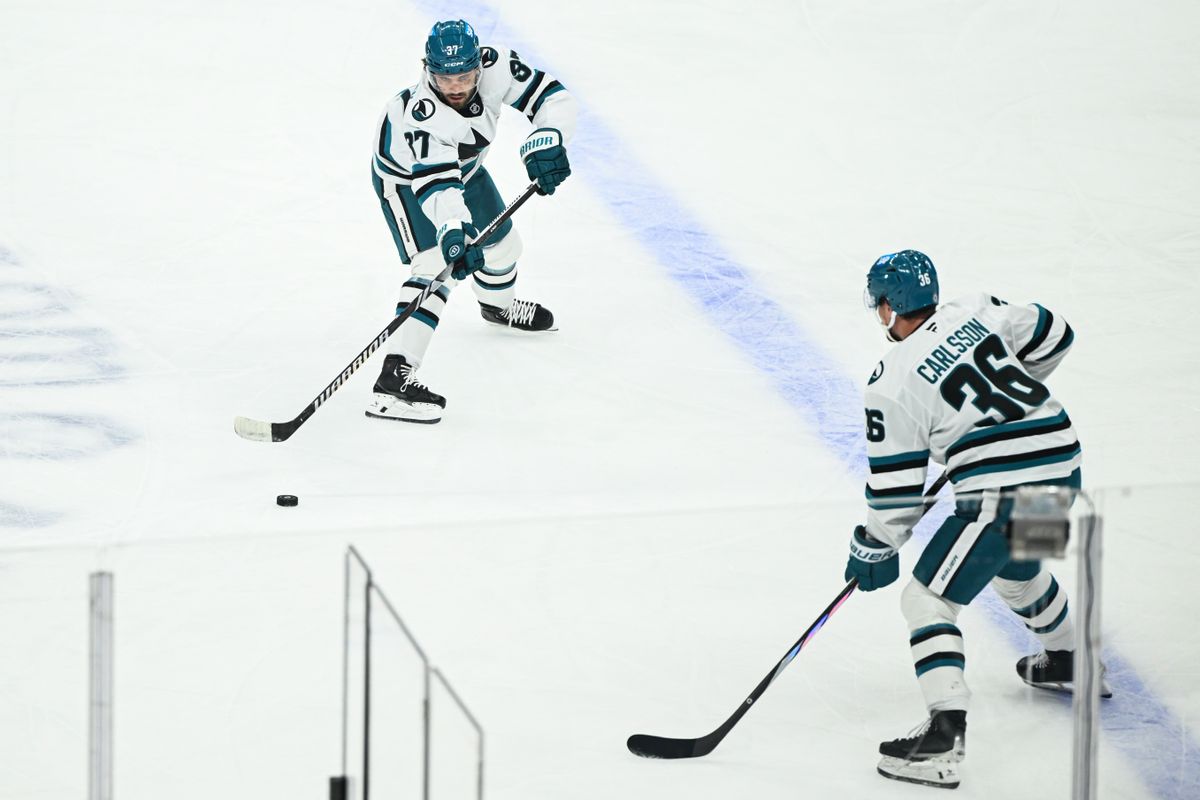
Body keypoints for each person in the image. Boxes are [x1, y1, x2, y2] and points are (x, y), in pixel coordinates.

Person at [844, 250, 1109, 789]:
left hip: (1003, 490)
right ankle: (1070, 659)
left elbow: (895, 495)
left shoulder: (890, 380)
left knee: (927, 599)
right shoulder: (977, 309)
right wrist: (1003, 407)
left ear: (890, 308)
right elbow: (1055, 333)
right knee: (1015, 567)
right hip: (1063, 467)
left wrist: (873, 546)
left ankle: (943, 740)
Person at [367, 19, 576, 423]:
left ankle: (497, 309)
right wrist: (452, 233)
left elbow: (553, 97)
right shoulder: (421, 116)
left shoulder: (496, 66)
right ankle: (393, 379)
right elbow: (436, 189)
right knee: (435, 268)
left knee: (505, 247)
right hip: (409, 184)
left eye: (464, 75)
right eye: (445, 79)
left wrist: (550, 136)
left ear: (479, 65)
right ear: (427, 71)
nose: (457, 86)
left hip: (466, 170)